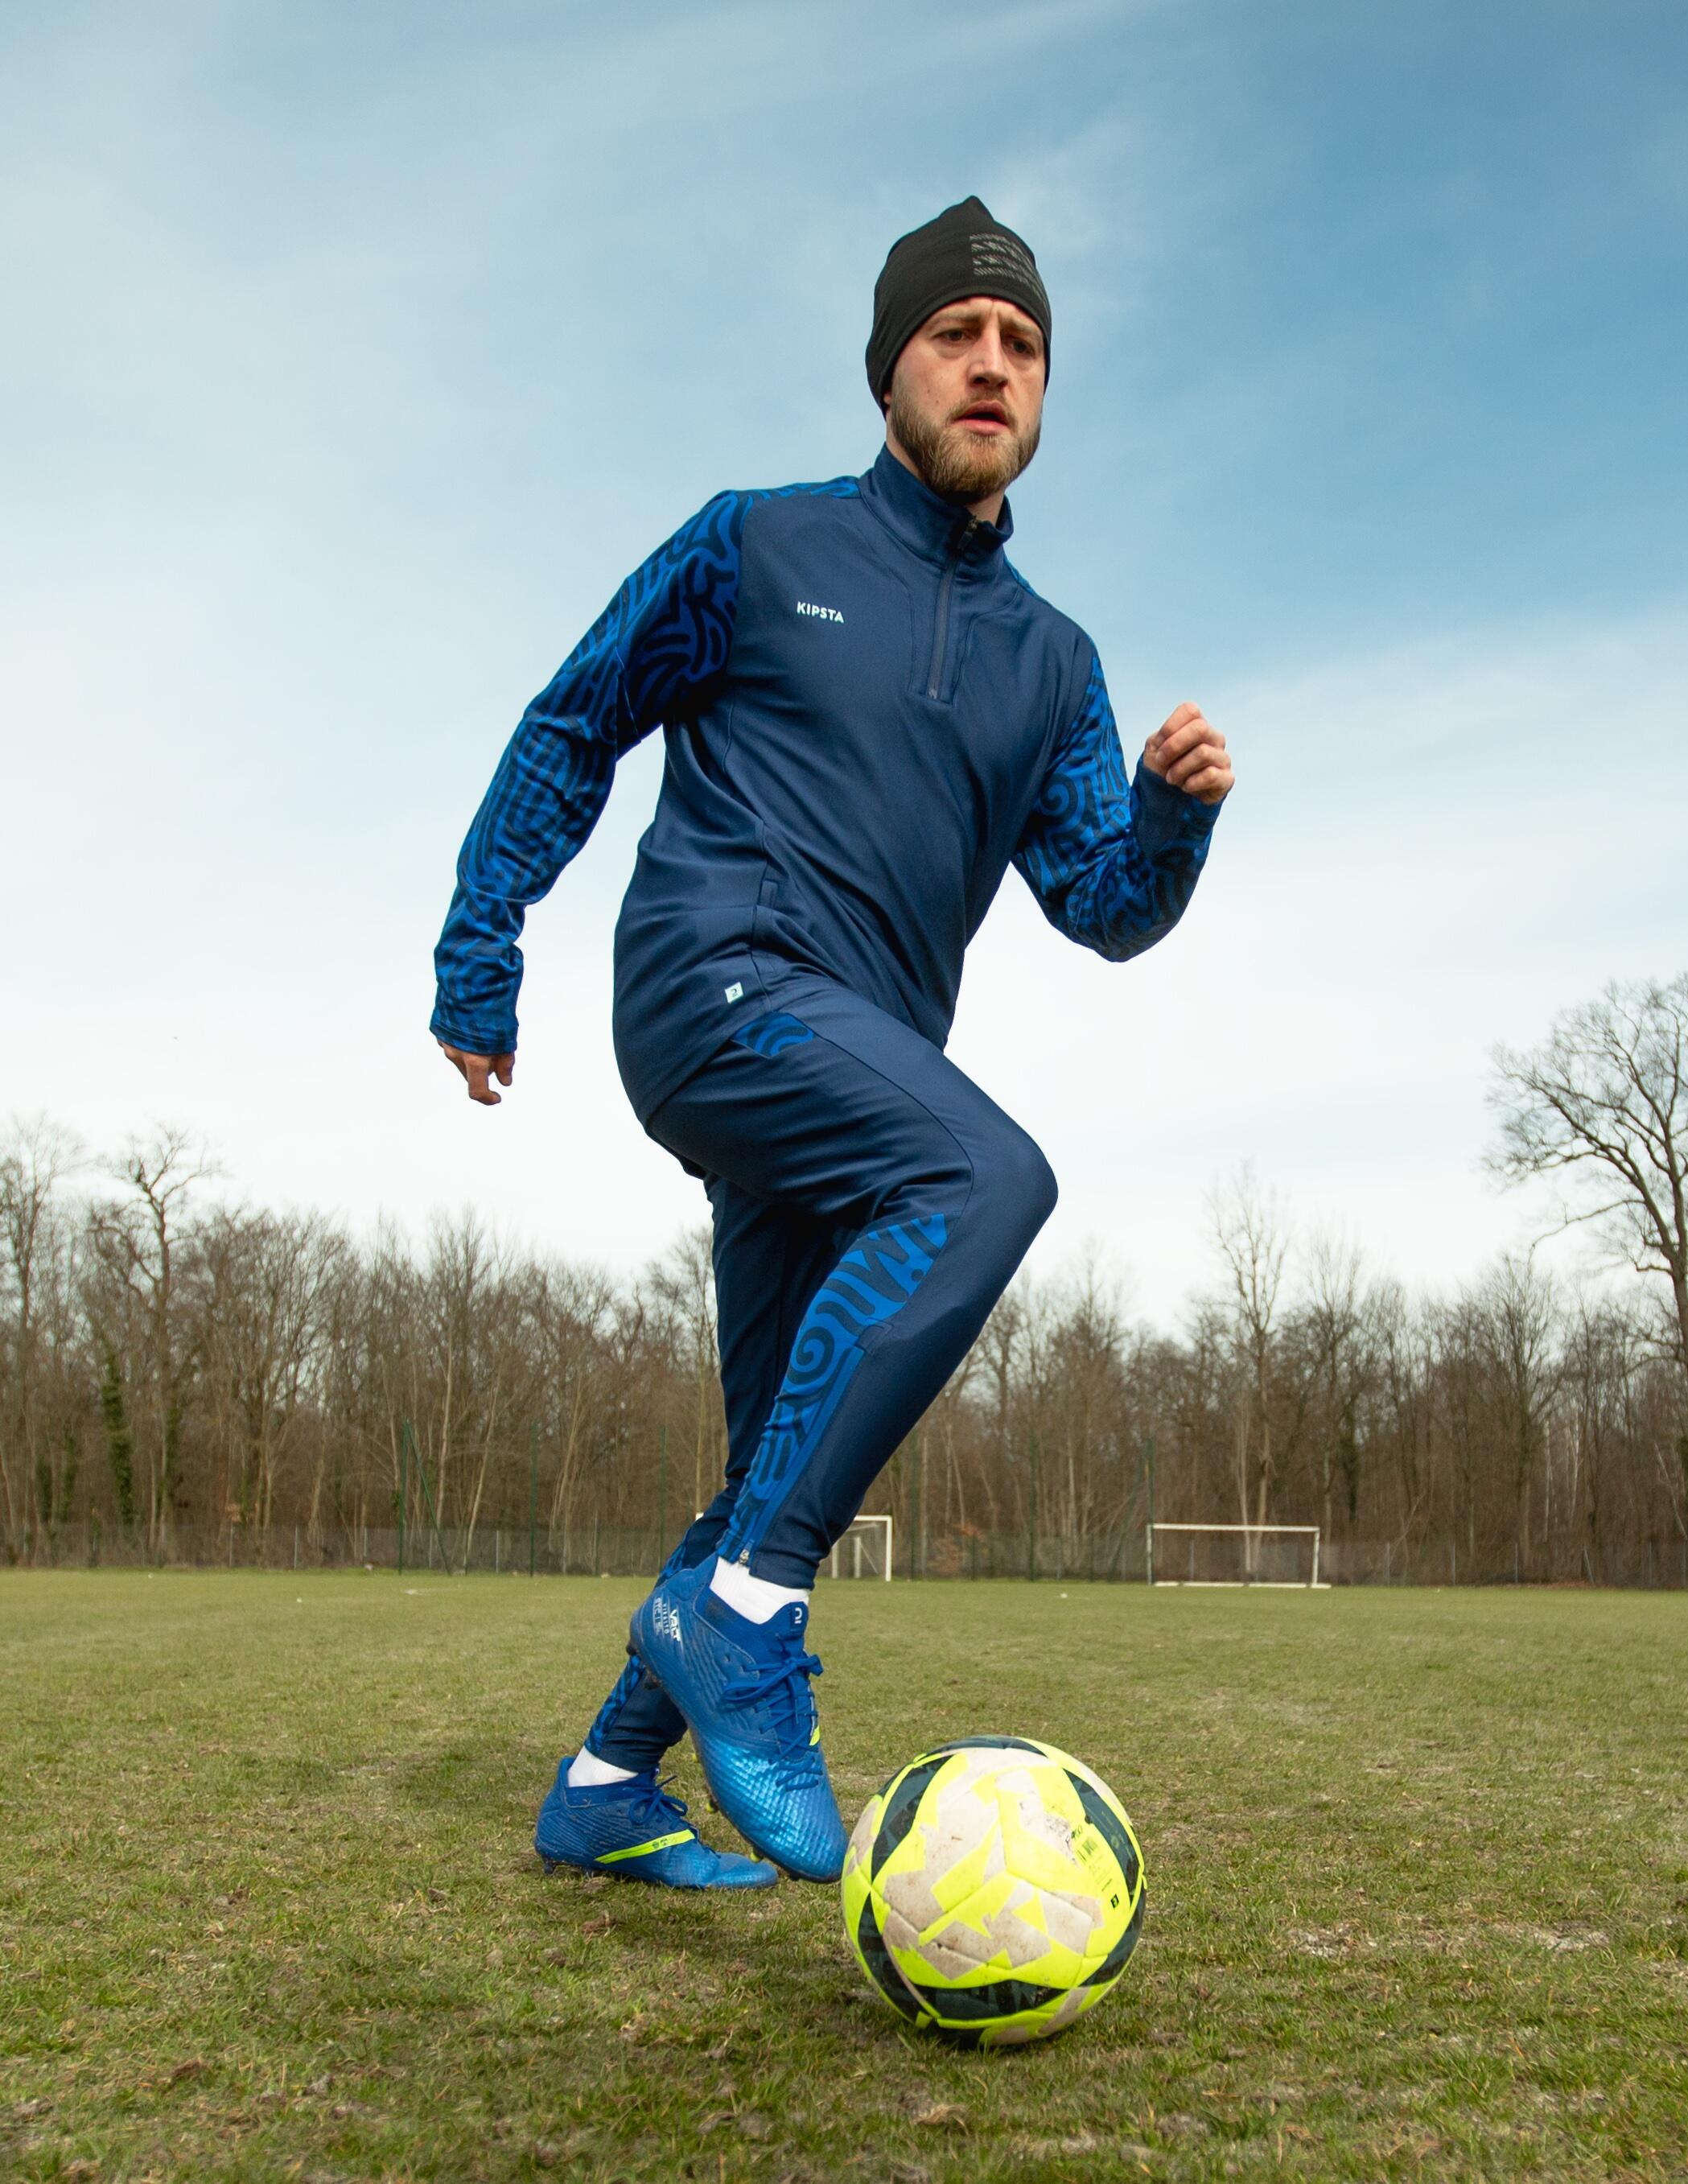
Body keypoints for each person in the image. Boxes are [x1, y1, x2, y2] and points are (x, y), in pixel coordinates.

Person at [430, 198, 1235, 1888]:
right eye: (957, 335)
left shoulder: (1053, 662)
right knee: (985, 1175)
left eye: (1020, 346)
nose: (991, 365)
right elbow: (573, 722)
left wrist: (1165, 828)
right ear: (891, 368)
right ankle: (747, 1626)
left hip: (838, 1079)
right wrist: (477, 947)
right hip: (709, 978)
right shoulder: (755, 545)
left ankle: (599, 1781)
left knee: (779, 1449)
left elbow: (1098, 902)